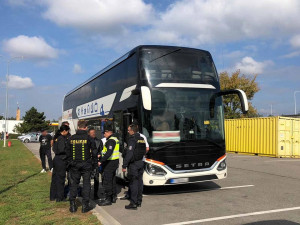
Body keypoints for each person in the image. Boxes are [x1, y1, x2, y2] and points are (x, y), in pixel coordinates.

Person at [67, 120, 97, 213]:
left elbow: (67, 152)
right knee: (86, 184)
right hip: (86, 165)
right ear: (86, 127)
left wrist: (70, 163)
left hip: (74, 165)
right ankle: (85, 206)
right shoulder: (89, 138)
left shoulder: (71, 138)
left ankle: (72, 205)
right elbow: (94, 152)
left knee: (74, 184)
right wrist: (94, 164)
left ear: (78, 127)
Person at [122, 124, 146, 210]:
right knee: (140, 183)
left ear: (132, 131)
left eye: (129, 130)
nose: (128, 132)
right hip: (140, 162)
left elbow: (129, 153)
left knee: (133, 183)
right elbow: (144, 151)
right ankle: (139, 201)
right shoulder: (142, 139)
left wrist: (124, 165)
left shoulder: (132, 139)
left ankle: (133, 203)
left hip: (134, 164)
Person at [98, 122, 119, 206]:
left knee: (107, 181)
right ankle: (113, 197)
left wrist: (101, 161)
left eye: (104, 133)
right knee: (113, 180)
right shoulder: (115, 139)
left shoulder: (110, 141)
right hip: (114, 162)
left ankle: (108, 199)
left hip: (109, 163)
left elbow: (109, 152)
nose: (104, 135)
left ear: (108, 132)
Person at [50, 125, 70, 202]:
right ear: (64, 131)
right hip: (61, 159)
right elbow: (62, 150)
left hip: (56, 159)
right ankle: (60, 197)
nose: (68, 133)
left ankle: (53, 196)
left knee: (55, 178)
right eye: (67, 131)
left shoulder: (56, 138)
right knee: (60, 179)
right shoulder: (61, 139)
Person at [88, 128, 103, 200]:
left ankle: (95, 194)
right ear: (89, 134)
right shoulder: (86, 141)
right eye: (91, 133)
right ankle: (87, 194)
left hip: (95, 162)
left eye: (94, 132)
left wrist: (99, 155)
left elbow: (101, 150)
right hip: (88, 162)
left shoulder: (99, 141)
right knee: (87, 179)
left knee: (96, 179)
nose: (93, 134)